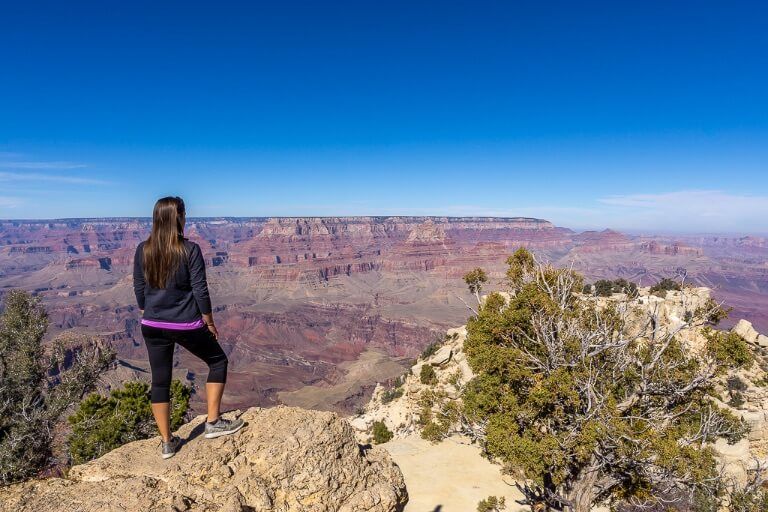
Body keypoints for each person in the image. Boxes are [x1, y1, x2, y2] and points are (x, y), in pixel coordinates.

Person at [133, 196, 244, 459]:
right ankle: (214, 422)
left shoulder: (143, 249)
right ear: (178, 218)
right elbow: (200, 289)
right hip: (185, 323)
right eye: (184, 214)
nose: (186, 217)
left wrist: (146, 310)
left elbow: (139, 287)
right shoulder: (190, 249)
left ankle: (167, 442)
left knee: (160, 380)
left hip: (151, 323)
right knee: (218, 361)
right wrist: (208, 320)